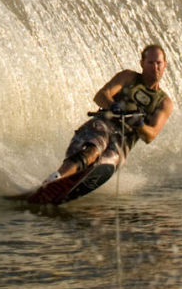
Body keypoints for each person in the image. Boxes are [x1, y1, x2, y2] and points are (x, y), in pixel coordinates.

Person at [48, 42, 174, 183]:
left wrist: (138, 124)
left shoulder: (164, 102)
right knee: (93, 151)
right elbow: (101, 95)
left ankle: (74, 181)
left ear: (165, 65)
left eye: (159, 63)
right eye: (150, 63)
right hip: (102, 126)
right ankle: (55, 179)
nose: (155, 67)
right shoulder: (128, 77)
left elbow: (151, 135)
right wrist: (113, 105)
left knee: (106, 162)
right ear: (142, 63)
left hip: (122, 143)